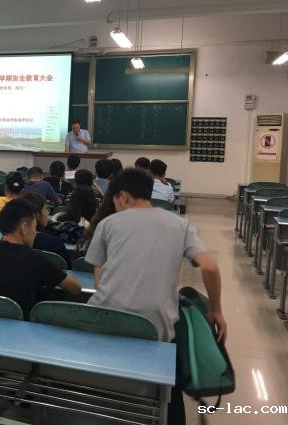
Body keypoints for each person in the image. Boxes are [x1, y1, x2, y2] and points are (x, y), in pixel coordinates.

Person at [84, 169, 226, 424]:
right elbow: (211, 268)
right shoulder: (180, 225)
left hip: (104, 322)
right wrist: (216, 310)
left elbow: (99, 283)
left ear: (123, 197)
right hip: (155, 329)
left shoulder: (107, 224)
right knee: (171, 383)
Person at [0, 199, 81, 319]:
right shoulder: (37, 259)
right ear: (24, 228)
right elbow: (76, 288)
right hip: (19, 325)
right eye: (34, 226)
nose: (35, 232)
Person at [20, 191, 71, 268]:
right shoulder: (55, 243)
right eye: (46, 209)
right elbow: (68, 268)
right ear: (37, 215)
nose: (47, 213)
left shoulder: (10, 241)